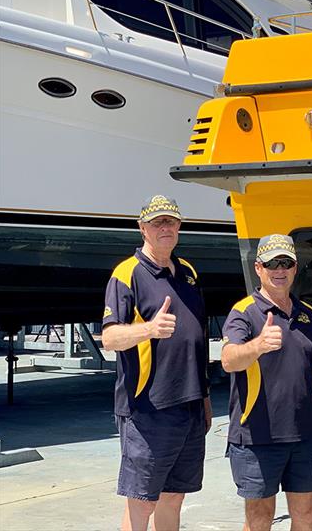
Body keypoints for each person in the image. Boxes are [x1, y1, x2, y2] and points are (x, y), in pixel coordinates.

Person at [102, 195, 212, 531]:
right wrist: (149, 329)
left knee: (174, 496)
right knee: (142, 500)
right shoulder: (127, 273)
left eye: (171, 222)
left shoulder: (188, 272)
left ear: (179, 227)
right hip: (148, 408)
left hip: (190, 406)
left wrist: (205, 398)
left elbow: (197, 342)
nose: (166, 228)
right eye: (158, 223)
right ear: (143, 228)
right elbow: (109, 338)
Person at [221, 234, 312, 531]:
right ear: (258, 268)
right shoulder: (244, 313)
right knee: (259, 519)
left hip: (305, 436)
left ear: (295, 268)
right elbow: (228, 360)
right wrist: (257, 345)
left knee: (309, 515)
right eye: (272, 263)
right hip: (257, 436)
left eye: (286, 263)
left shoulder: (308, 316)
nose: (279, 270)